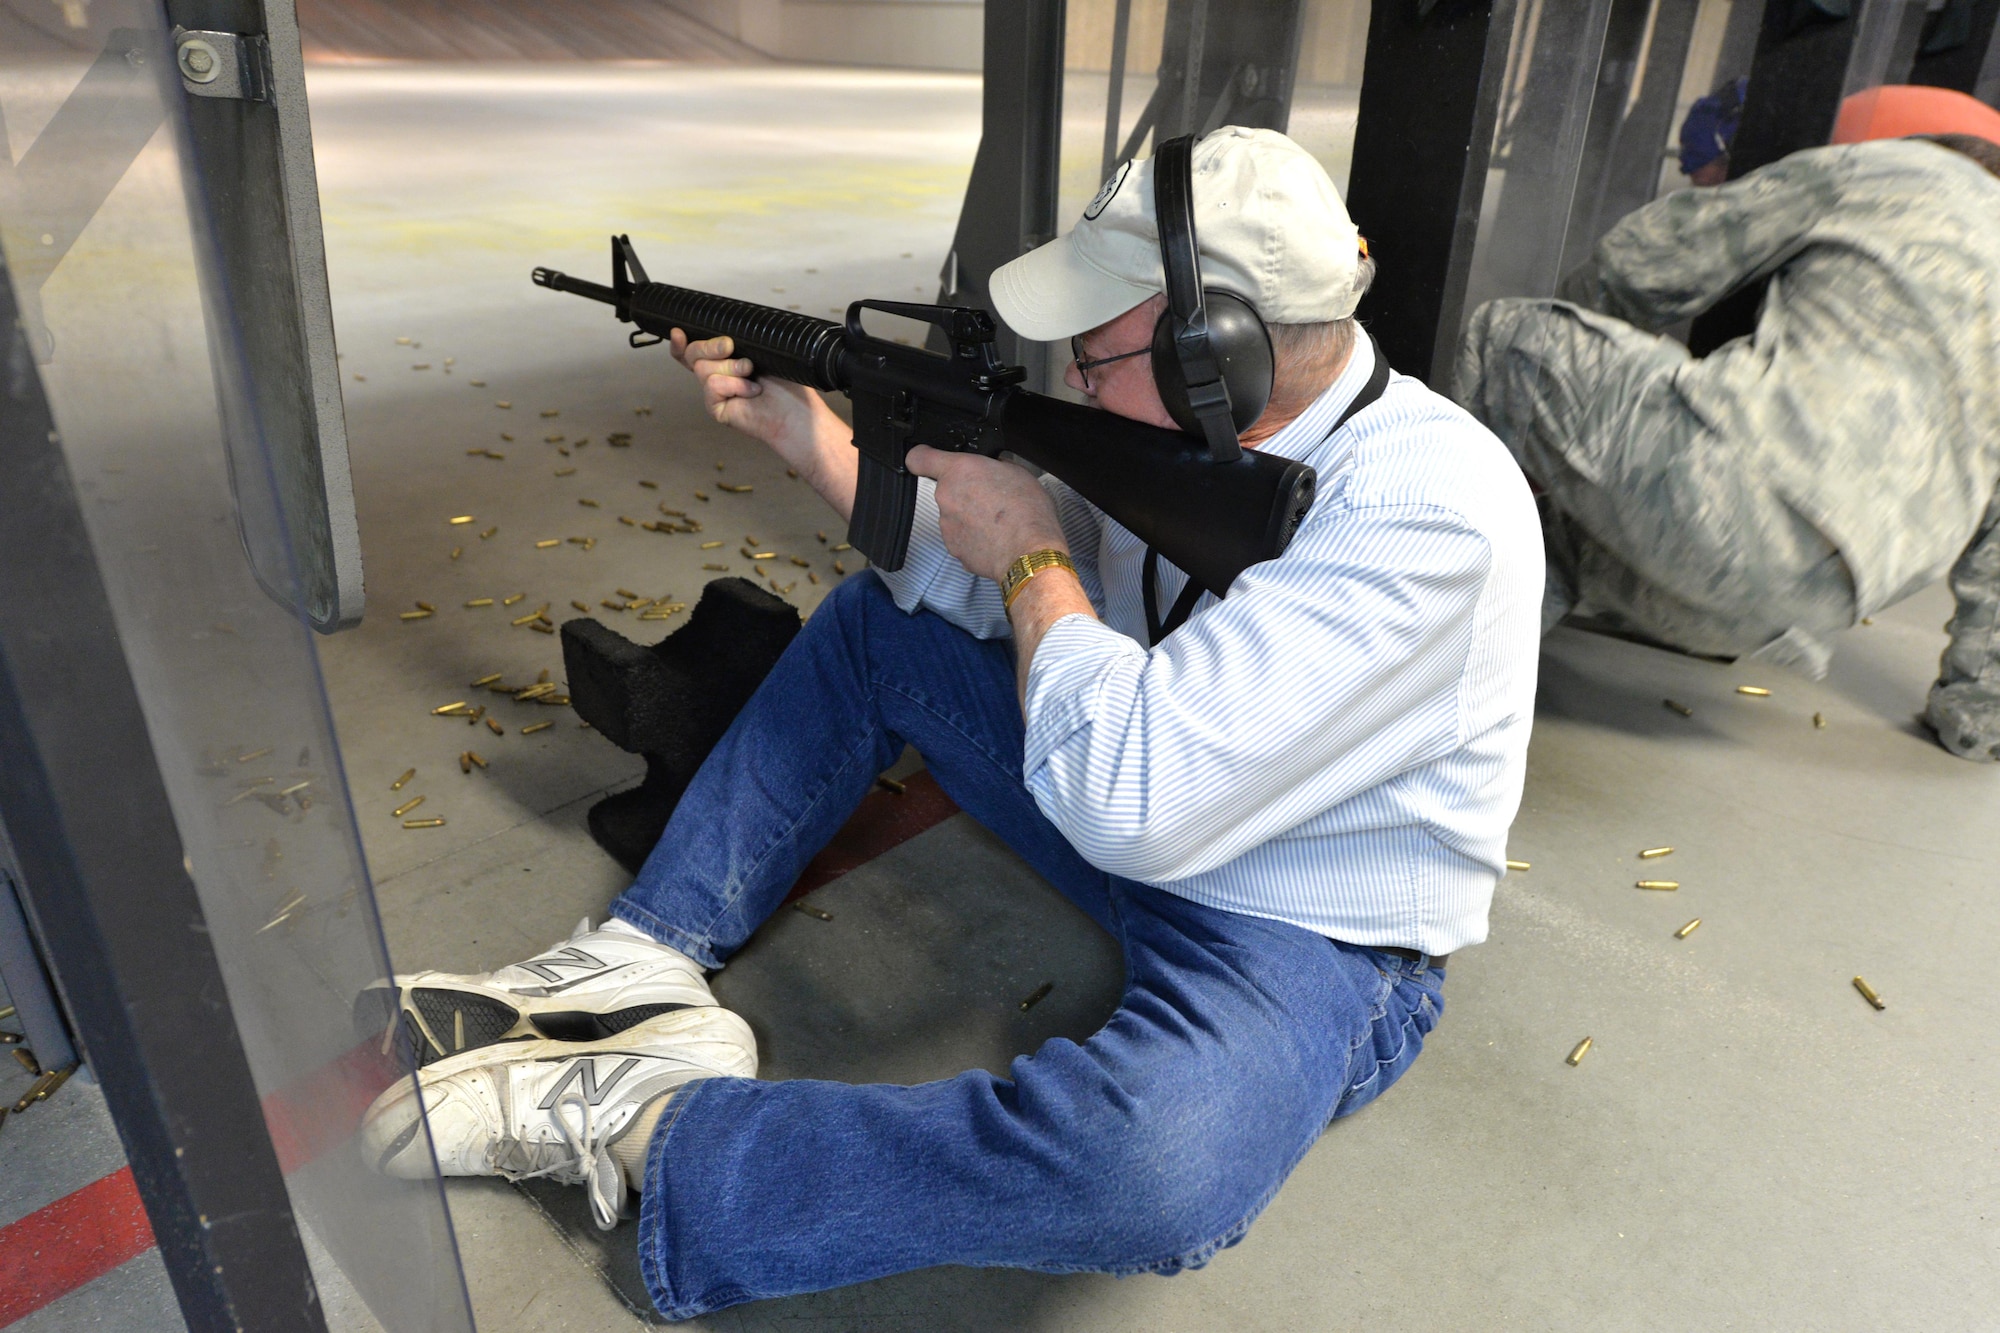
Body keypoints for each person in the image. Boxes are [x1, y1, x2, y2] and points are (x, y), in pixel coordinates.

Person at [359, 126, 1544, 1319]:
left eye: (1099, 342)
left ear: (1211, 349)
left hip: (1301, 925)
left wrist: (1031, 542)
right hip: (1124, 780)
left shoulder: (1429, 514)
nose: (1071, 365)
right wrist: (809, 434)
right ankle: (640, 966)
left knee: (1155, 1169)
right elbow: (994, 599)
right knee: (885, 629)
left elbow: (1128, 793)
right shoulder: (1184, 437)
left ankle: (645, 1129)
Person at [1455, 109, 2000, 760]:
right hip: (1794, 617)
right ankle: (1478, 662)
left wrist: (1580, 359)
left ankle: (1422, 644)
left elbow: (1648, 259)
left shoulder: (1903, 170)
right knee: (1567, 531)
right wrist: (1975, 718)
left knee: (1511, 341)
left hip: (1726, 501)